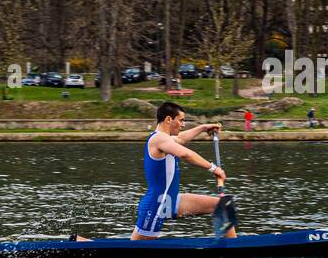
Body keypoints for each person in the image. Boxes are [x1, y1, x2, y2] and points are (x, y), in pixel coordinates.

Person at [94, 102, 236, 241]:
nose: (183, 124)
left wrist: (204, 127)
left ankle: (232, 247)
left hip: (171, 200)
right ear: (168, 119)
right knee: (132, 252)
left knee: (222, 205)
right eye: (181, 120)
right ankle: (79, 242)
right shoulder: (158, 139)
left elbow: (181, 138)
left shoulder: (166, 139)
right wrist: (214, 168)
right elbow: (185, 154)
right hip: (157, 204)